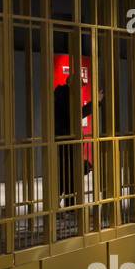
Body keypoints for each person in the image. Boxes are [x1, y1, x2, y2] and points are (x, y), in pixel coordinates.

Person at [54, 70, 98, 208]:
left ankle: (65, 205)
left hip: (63, 141)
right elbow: (75, 115)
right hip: (66, 141)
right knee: (67, 174)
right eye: (79, 86)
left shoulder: (61, 95)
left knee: (65, 174)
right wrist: (94, 103)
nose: (80, 89)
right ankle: (68, 206)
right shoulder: (66, 97)